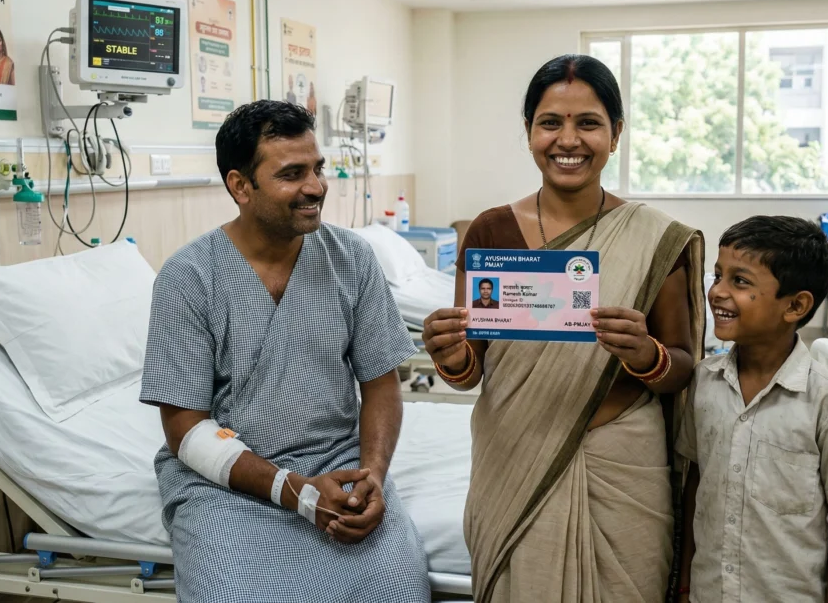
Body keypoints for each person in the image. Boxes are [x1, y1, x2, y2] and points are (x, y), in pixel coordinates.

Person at [422, 54, 705, 603]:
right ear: (528, 131)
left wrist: (647, 355)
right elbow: (468, 371)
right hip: (514, 454)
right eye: (550, 122)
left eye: (588, 122)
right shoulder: (491, 230)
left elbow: (684, 368)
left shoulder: (654, 239)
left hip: (621, 466)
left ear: (616, 133)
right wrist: (451, 354)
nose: (567, 139)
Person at [139, 100, 429, 602]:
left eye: (317, 169)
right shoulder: (189, 277)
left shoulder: (351, 259)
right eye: (292, 174)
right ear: (240, 186)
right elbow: (185, 428)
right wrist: (293, 490)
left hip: (340, 467)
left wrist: (374, 478)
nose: (316, 187)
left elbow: (382, 385)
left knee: (396, 590)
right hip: (226, 485)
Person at [677, 216, 828, 603]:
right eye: (717, 276)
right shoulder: (704, 381)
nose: (717, 292)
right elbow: (695, 487)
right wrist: (684, 587)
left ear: (795, 305)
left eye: (740, 281)